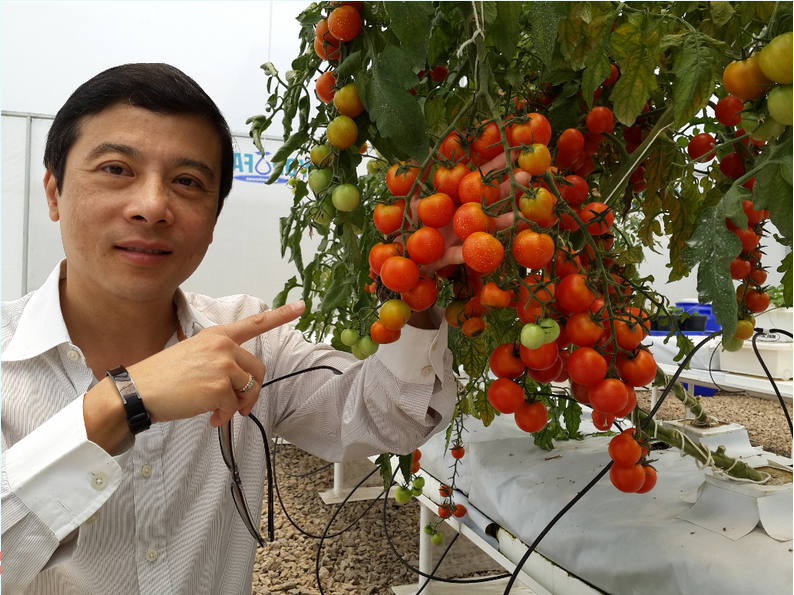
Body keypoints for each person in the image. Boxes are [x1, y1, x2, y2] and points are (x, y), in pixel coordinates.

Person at [1, 63, 455, 594]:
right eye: (116, 169)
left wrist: (415, 281)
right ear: (53, 192)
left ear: (213, 220)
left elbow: (391, 415)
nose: (152, 207)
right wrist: (118, 403)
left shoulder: (249, 339)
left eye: (187, 182)